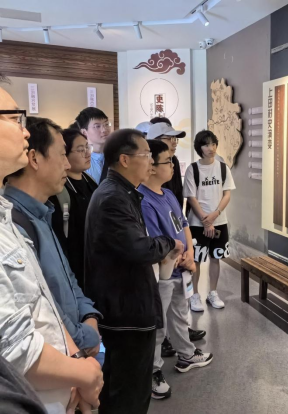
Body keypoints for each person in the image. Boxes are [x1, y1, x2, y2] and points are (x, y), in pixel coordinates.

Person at [0, 74, 103, 413]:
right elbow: (14, 344)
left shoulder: (23, 214)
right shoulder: (18, 218)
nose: (24, 131)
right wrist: (83, 369)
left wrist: (81, 343)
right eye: (13, 119)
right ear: (35, 159)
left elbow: (51, 294)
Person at [84, 128, 184, 414]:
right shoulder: (113, 197)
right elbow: (139, 248)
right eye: (146, 155)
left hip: (127, 304)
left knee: (124, 383)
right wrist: (169, 243)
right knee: (129, 390)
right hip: (125, 309)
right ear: (125, 160)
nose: (151, 161)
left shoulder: (121, 192)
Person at [3, 117, 102, 357]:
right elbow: (41, 305)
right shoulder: (13, 222)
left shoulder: (43, 212)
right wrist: (83, 338)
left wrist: (89, 315)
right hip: (62, 354)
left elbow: (67, 277)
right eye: (62, 155)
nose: (67, 165)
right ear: (34, 158)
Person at [139, 140, 213, 400]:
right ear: (151, 166)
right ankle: (153, 371)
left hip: (181, 269)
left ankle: (186, 354)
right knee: (158, 326)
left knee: (180, 316)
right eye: (168, 161)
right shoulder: (143, 201)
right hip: (163, 273)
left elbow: (184, 225)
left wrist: (190, 254)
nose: (173, 166)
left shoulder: (168, 194)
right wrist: (183, 258)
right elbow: (156, 241)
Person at [184, 130, 235, 311]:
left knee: (216, 258)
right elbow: (191, 198)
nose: (211, 148)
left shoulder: (223, 168)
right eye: (206, 144)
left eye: (213, 144)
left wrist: (215, 215)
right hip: (197, 223)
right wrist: (206, 221)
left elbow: (227, 194)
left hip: (219, 221)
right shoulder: (192, 169)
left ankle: (212, 292)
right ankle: (194, 295)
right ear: (199, 147)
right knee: (196, 260)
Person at [49, 129, 98, 288]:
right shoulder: (59, 191)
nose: (87, 153)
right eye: (80, 149)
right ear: (65, 155)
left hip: (97, 262)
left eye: (87, 147)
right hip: (75, 266)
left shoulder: (91, 181)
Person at [148, 118, 186, 208]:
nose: (174, 143)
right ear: (155, 140)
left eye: (175, 139)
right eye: (169, 139)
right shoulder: (144, 163)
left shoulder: (174, 160)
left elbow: (178, 191)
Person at [72, 108, 111, 183]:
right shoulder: (81, 161)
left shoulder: (117, 156)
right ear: (84, 132)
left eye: (106, 124)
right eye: (97, 126)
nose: (104, 130)